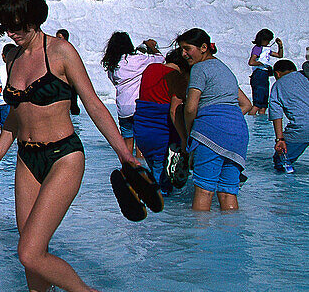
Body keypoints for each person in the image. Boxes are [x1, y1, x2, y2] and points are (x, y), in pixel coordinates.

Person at [0, 0, 140, 292]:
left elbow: (93, 103)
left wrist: (124, 153)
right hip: (27, 158)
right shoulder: (13, 58)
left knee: (29, 252)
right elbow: (16, 116)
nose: (12, 33)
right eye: (6, 28)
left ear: (35, 17)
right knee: (30, 257)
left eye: (18, 26)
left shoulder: (60, 52)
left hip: (63, 157)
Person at [177, 28, 253, 211]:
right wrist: (227, 121)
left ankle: (200, 237)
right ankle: (231, 235)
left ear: (204, 47)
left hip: (210, 134)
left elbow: (190, 107)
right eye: (181, 49)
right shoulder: (224, 69)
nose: (183, 54)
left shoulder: (199, 68)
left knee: (205, 190)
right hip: (239, 134)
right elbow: (247, 105)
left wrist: (189, 134)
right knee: (228, 192)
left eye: (187, 48)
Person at [132, 49, 190, 193]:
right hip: (161, 132)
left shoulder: (150, 68)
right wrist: (184, 139)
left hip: (141, 129)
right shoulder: (176, 76)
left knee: (155, 169)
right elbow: (173, 110)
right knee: (163, 183)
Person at [102, 32, 163, 153]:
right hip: (137, 106)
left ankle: (127, 169)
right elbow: (160, 59)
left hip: (123, 108)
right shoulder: (136, 60)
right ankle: (142, 169)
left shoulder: (112, 66)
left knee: (127, 145)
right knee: (141, 145)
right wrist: (151, 47)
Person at [270, 59, 309, 168]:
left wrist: (280, 139)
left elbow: (276, 114)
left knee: (281, 162)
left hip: (302, 128)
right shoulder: (305, 76)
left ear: (277, 74)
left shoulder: (278, 85)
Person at [248, 29, 283, 114]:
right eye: (267, 40)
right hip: (259, 74)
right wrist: (261, 63)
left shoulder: (266, 49)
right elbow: (251, 62)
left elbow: (279, 55)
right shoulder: (258, 48)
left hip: (264, 75)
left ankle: (260, 124)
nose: (268, 42)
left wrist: (280, 46)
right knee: (257, 103)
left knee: (263, 105)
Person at [0, 44, 18, 131]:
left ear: (3, 56)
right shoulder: (21, 67)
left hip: (4, 102)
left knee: (6, 127)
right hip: (19, 102)